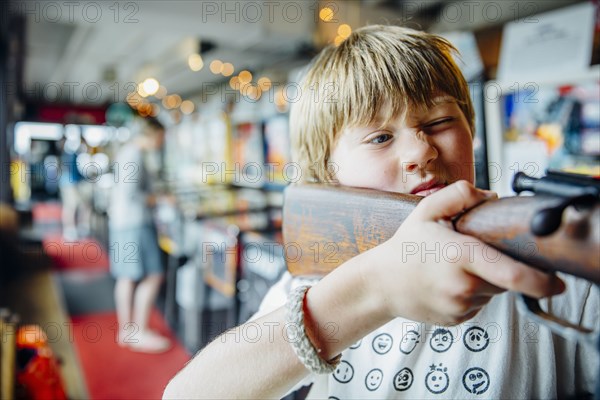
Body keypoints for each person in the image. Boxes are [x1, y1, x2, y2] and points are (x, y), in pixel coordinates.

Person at [163, 25, 598, 398]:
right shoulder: (319, 275)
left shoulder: (559, 255)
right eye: (379, 138)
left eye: (440, 122)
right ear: (327, 172)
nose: (421, 152)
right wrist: (372, 290)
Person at [109, 117, 170, 353]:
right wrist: (160, 199)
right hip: (134, 223)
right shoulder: (134, 154)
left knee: (127, 277)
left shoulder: (128, 152)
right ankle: (137, 332)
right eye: (161, 136)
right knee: (153, 275)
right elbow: (131, 193)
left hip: (123, 222)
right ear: (152, 133)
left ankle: (127, 331)